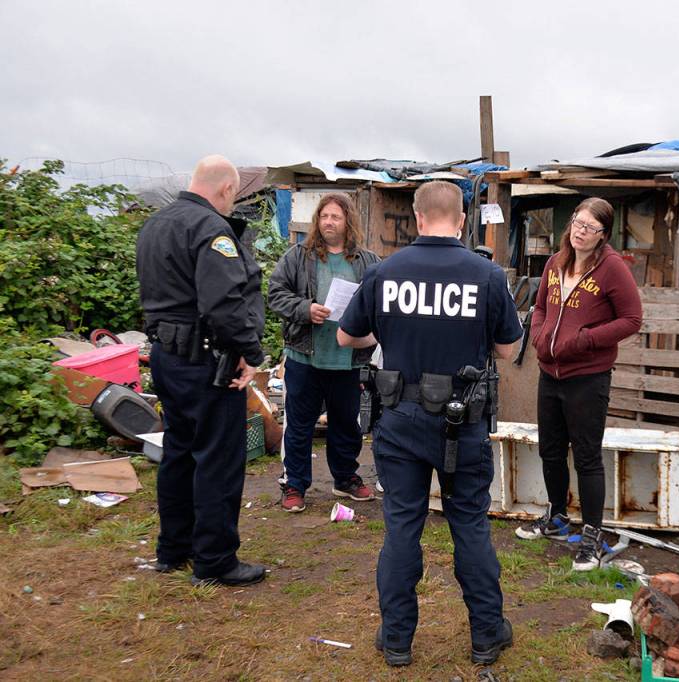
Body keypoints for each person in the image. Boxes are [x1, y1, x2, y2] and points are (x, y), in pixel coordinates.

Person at [337, 181, 522, 667]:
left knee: (401, 528)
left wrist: (397, 327)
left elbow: (346, 335)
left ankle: (396, 639)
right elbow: (507, 349)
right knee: (470, 526)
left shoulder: (385, 272)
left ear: (418, 218)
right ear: (461, 220)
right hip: (464, 423)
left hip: (399, 418)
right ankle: (486, 635)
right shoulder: (486, 275)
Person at [136, 155, 267, 587]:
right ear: (227, 189)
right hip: (206, 361)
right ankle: (214, 559)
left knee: (178, 451)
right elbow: (224, 304)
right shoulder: (212, 229)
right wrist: (252, 352)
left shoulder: (155, 224)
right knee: (217, 459)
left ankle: (173, 550)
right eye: (235, 196)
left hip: (166, 358)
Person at [514, 197, 642, 571]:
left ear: (604, 235)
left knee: (586, 457)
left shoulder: (612, 269)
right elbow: (540, 308)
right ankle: (556, 518)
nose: (580, 232)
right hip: (549, 373)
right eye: (577, 223)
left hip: (587, 378)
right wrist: (538, 335)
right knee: (550, 450)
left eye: (590, 228)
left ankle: (592, 535)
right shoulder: (556, 263)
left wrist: (586, 339)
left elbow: (632, 319)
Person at [268, 193, 381, 512]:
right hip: (305, 356)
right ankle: (294, 485)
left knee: (347, 423)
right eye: (324, 216)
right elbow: (275, 294)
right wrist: (305, 309)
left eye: (336, 217)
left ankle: (345, 479)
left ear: (349, 222)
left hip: (348, 359)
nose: (329, 222)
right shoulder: (298, 256)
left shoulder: (367, 261)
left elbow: (381, 299)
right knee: (300, 424)